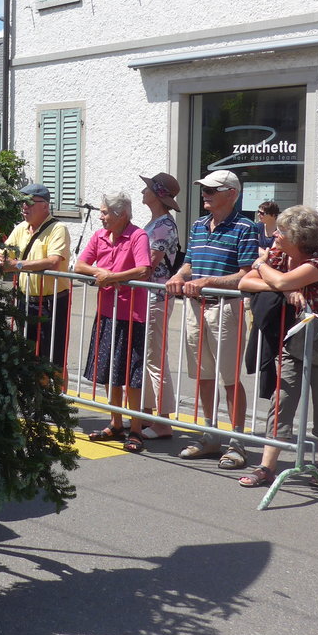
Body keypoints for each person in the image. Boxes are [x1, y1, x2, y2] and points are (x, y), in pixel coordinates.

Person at [236, 206, 318, 489]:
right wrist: (285, 288)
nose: (275, 234)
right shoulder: (281, 254)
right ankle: (267, 466)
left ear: (299, 237)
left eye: (282, 231)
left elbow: (274, 278)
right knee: (282, 398)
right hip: (297, 335)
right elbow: (245, 282)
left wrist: (261, 266)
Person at [165, 169, 258, 469]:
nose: (205, 193)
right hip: (196, 306)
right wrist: (178, 276)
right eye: (204, 188)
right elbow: (189, 263)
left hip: (226, 309)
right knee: (202, 375)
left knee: (229, 380)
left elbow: (245, 276)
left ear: (232, 194)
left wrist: (207, 282)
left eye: (212, 189)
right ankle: (210, 434)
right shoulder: (198, 225)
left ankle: (237, 442)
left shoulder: (246, 228)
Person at [75, 192, 152, 451]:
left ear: (122, 215)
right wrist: (101, 272)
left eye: (106, 212)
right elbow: (80, 265)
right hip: (107, 311)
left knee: (131, 373)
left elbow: (144, 269)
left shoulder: (138, 235)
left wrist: (113, 276)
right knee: (110, 370)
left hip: (132, 314)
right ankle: (116, 423)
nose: (101, 216)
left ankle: (136, 430)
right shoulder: (99, 236)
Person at [0, 183, 72, 377]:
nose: (24, 207)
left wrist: (18, 265)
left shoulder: (58, 228)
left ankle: (57, 402)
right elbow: (3, 252)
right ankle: (33, 403)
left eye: (29, 202)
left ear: (45, 206)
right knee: (27, 356)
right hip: (26, 301)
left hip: (51, 303)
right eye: (22, 202)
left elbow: (54, 261)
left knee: (53, 359)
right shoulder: (21, 228)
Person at [138, 172, 182, 439]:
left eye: (147, 189)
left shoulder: (164, 225)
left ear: (157, 194)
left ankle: (164, 421)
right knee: (147, 355)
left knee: (155, 357)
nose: (143, 192)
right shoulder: (156, 222)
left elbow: (148, 265)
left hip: (156, 297)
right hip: (148, 297)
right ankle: (148, 412)